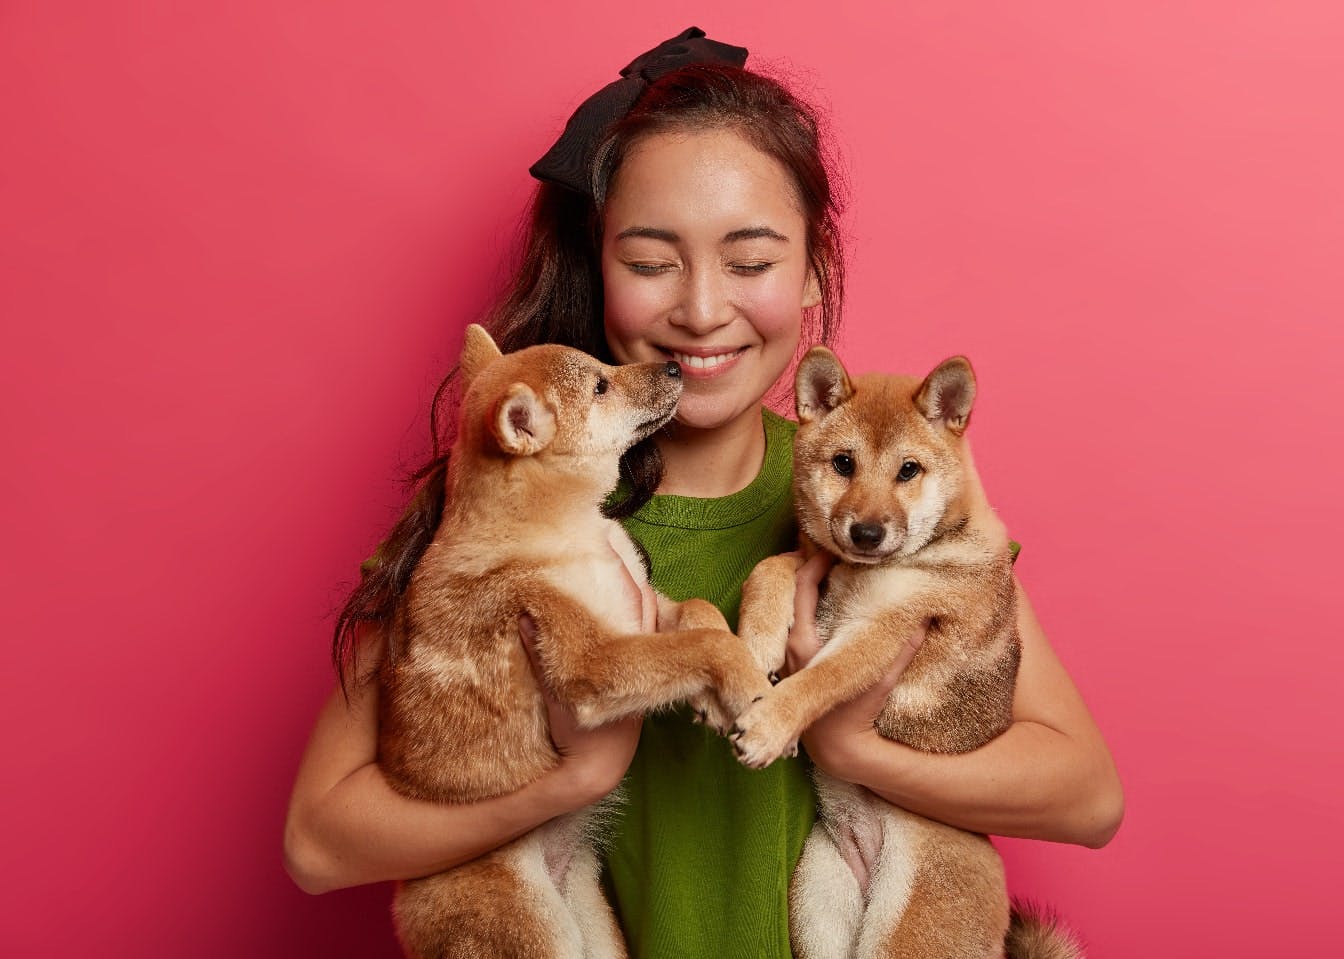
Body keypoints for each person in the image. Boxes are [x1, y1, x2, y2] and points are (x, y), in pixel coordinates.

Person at [283, 28, 1123, 959]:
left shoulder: (885, 514)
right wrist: (571, 779)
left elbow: (1085, 795)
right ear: (596, 267)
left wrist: (848, 747)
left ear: (811, 269)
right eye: (649, 263)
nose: (700, 308)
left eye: (751, 261)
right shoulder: (513, 508)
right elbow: (319, 842)